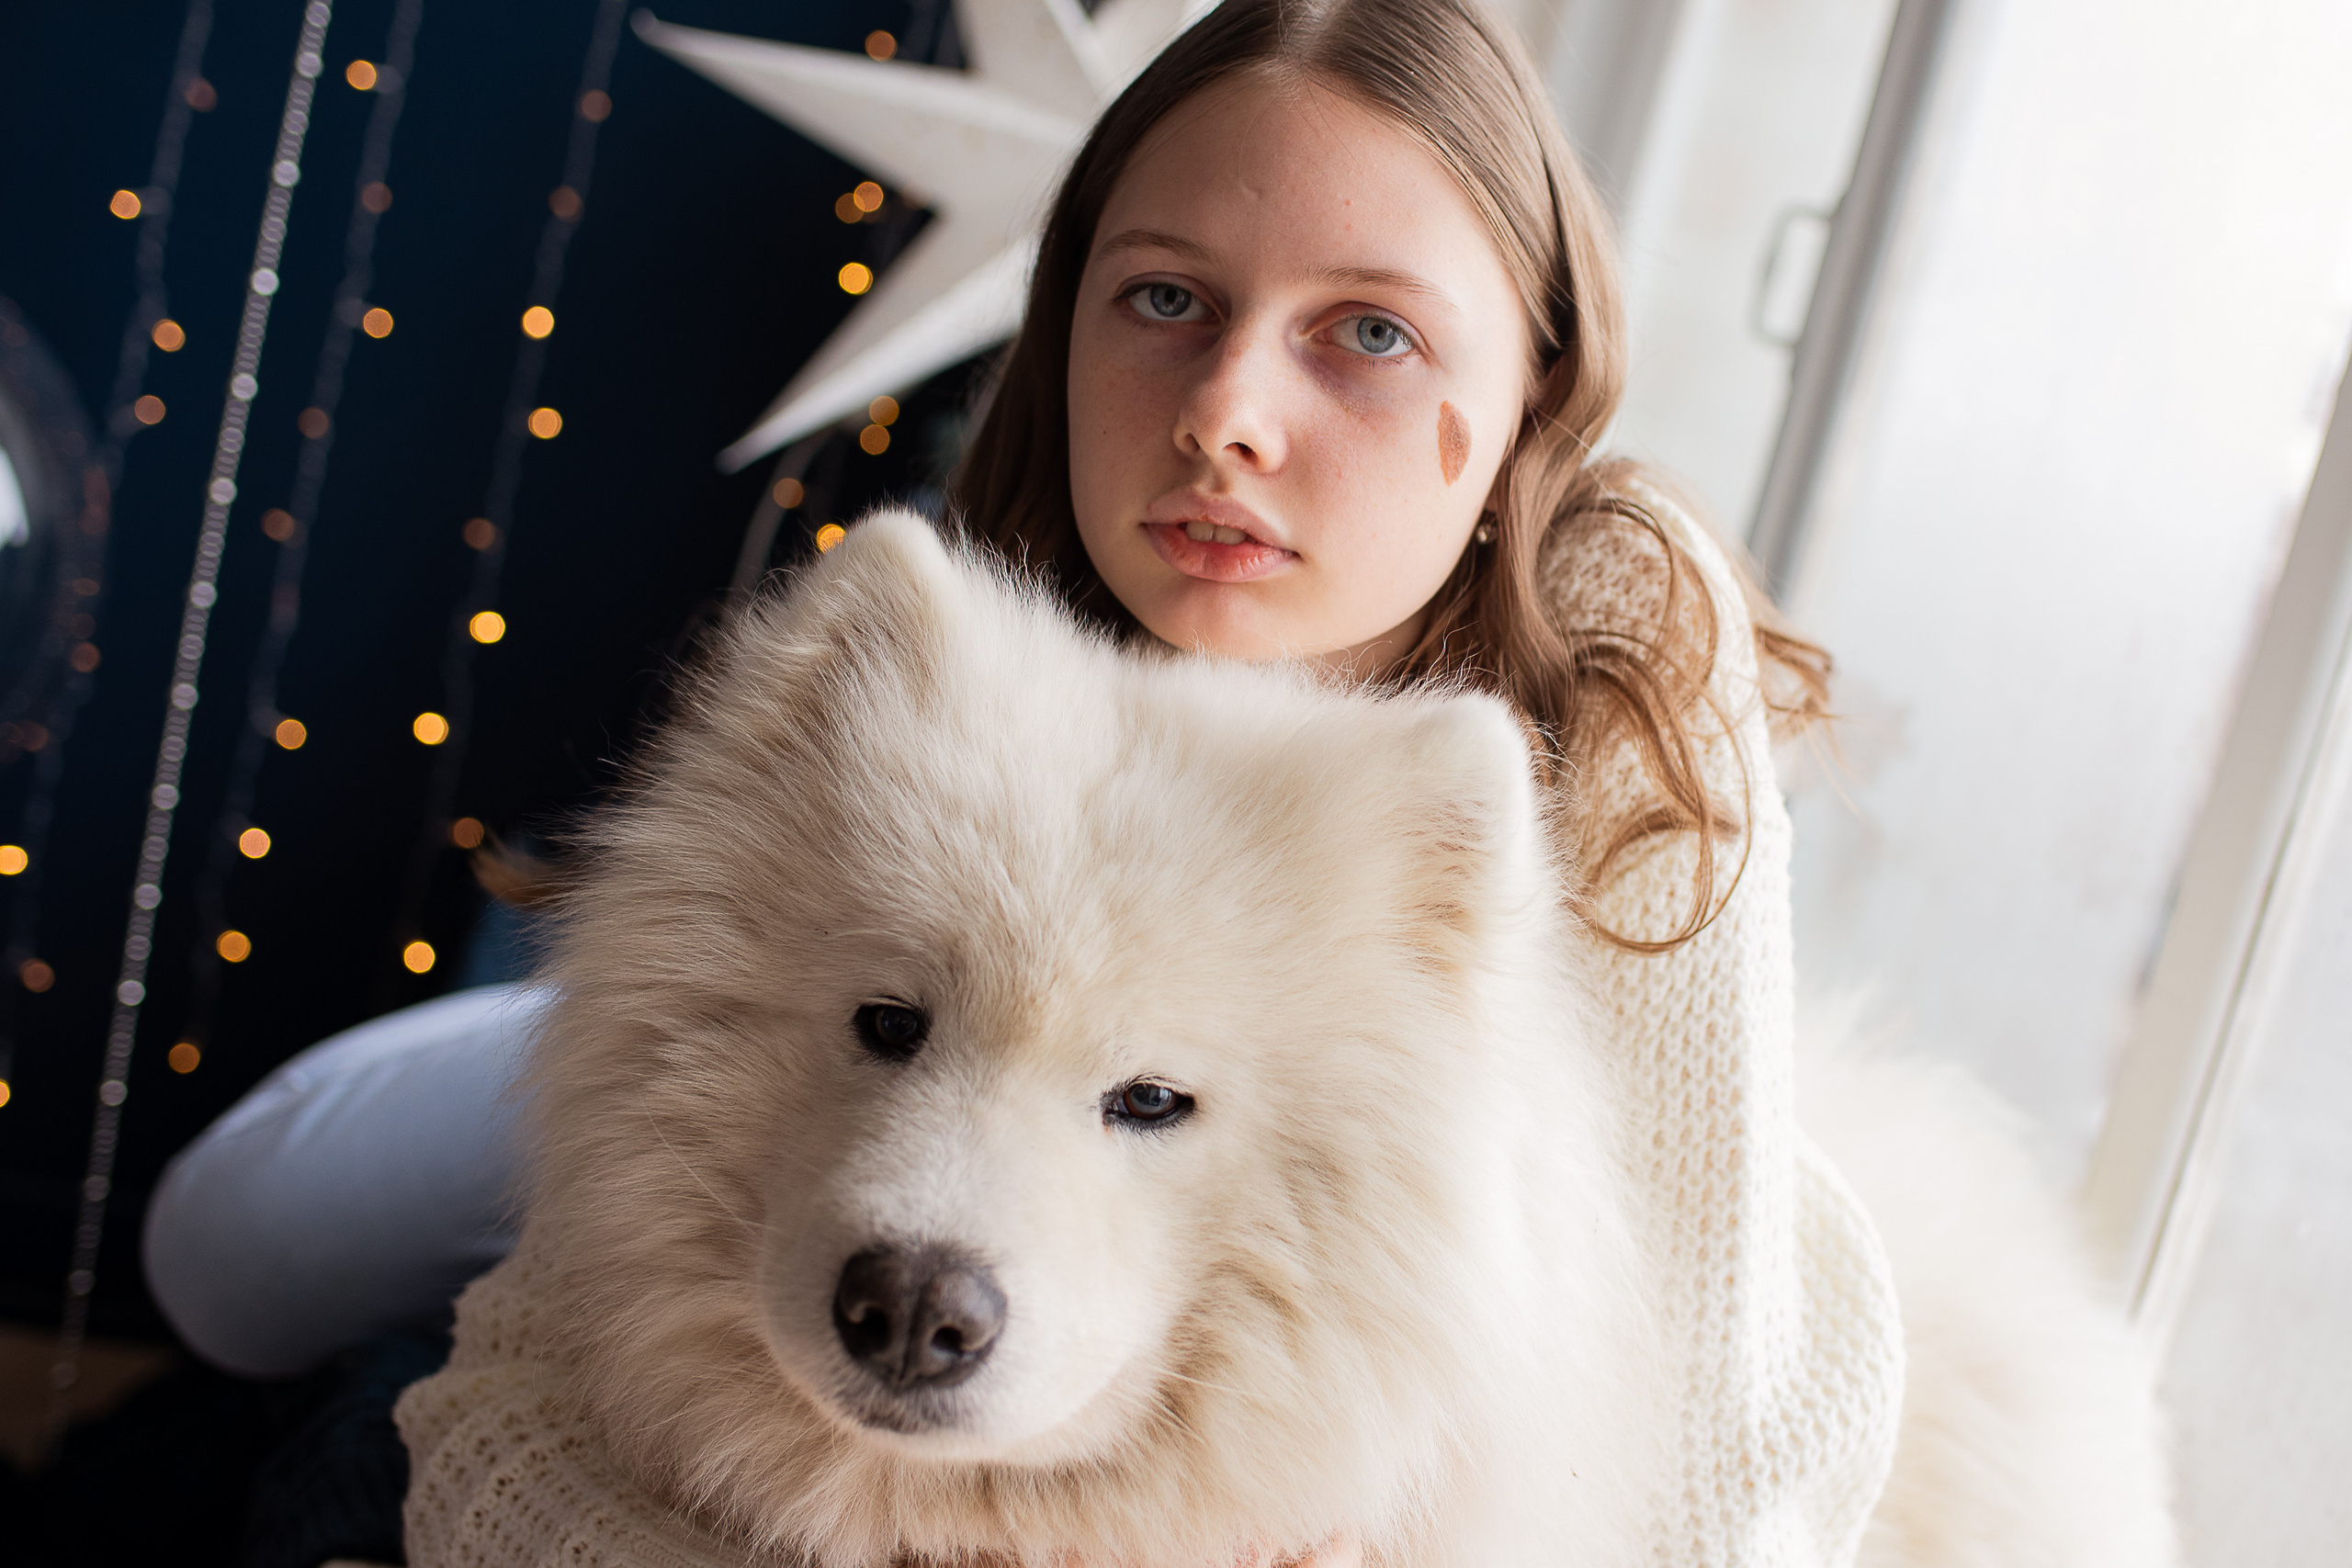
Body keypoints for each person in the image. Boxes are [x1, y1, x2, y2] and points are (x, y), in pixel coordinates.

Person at [147, 0, 1905, 1561]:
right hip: (782, 1011)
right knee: (252, 1284)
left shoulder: (1614, 647)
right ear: (1063, 328)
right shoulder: (963, 630)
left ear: (1533, 391)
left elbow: (1706, 1449)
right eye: (1166, 298)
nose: (1225, 411)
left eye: (1368, 332)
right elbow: (499, 1423)